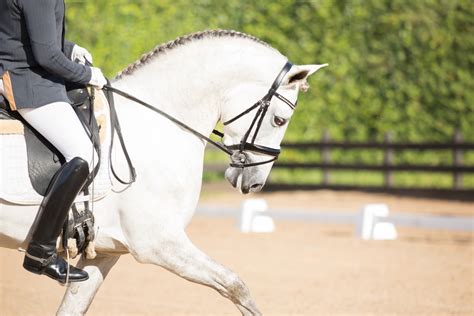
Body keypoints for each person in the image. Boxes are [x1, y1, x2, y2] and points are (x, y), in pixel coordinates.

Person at [0, 0, 107, 283]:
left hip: (23, 71)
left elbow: (20, 32)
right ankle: (41, 251)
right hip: (29, 83)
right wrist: (88, 75)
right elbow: (47, 56)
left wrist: (69, 48)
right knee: (84, 153)